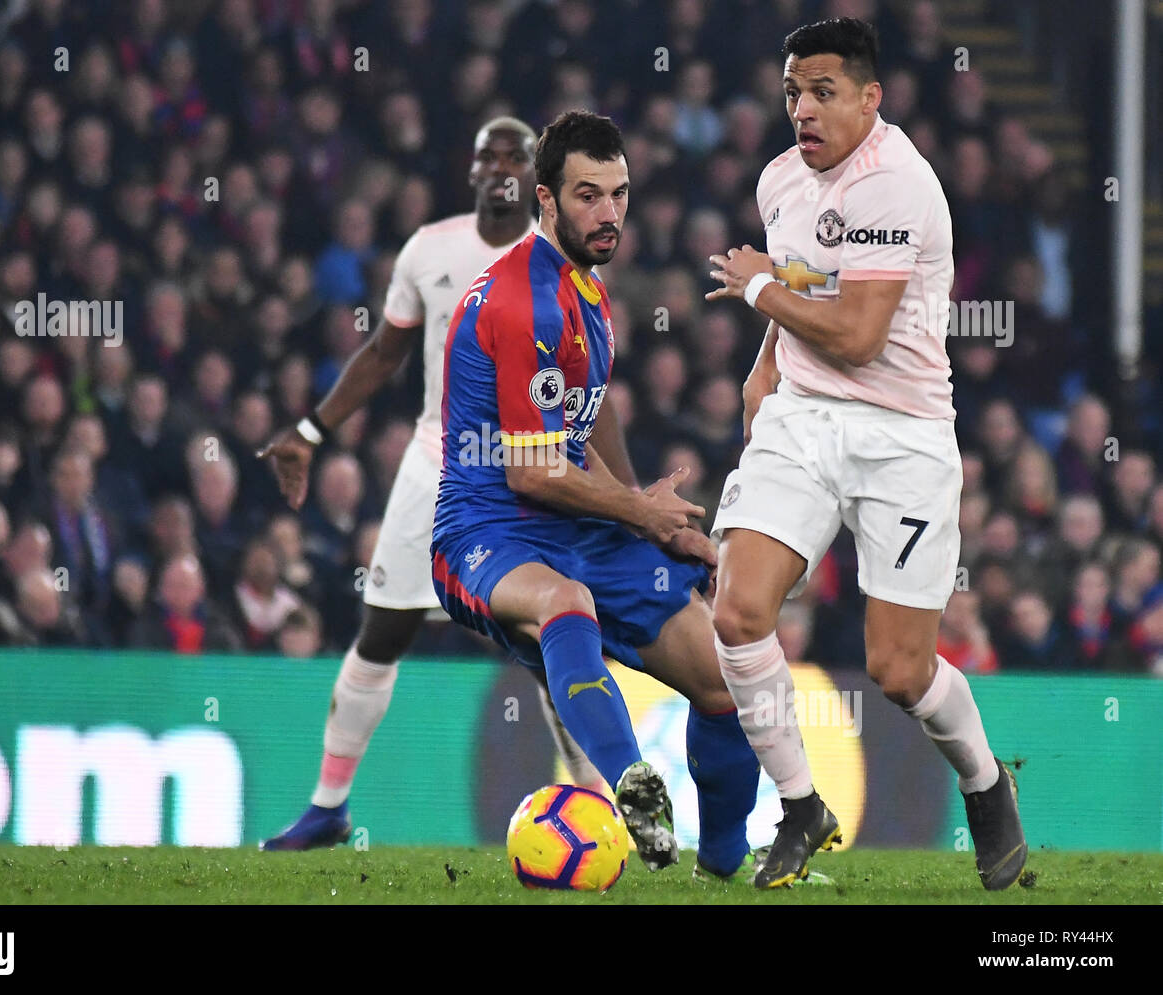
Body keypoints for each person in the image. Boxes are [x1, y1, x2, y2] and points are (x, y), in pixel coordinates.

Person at [705, 17, 1026, 890]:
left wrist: (758, 287)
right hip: (804, 417)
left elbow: (855, 334)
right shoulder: (781, 181)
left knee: (898, 668)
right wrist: (762, 369)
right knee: (735, 612)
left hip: (902, 437)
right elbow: (805, 288)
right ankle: (802, 805)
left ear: (870, 98)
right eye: (791, 93)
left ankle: (987, 783)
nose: (802, 111)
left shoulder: (898, 184)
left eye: (822, 93)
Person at [257, 118, 611, 851]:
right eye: (490, 155)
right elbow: (384, 352)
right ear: (473, 170)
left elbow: (589, 396)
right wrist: (311, 432)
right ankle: (327, 807)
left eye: (517, 155)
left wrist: (631, 507)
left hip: (523, 474)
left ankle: (599, 805)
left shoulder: (560, 261)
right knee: (381, 634)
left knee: (550, 643)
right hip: (435, 465)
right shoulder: (429, 248)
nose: (503, 166)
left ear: (534, 179)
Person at [426, 111, 760, 876]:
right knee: (564, 601)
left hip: (574, 519)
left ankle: (726, 869)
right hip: (486, 529)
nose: (608, 213)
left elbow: (593, 405)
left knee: (722, 678)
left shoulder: (584, 284)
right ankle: (630, 782)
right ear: (545, 199)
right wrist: (640, 513)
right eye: (588, 196)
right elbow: (532, 472)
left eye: (619, 194)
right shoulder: (525, 300)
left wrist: (644, 512)